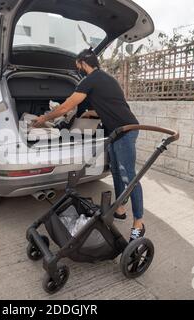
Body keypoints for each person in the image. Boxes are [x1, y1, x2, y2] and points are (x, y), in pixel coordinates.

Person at [32, 49, 145, 242]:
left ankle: (138, 223)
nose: (79, 71)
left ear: (84, 63)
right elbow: (109, 105)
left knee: (129, 176)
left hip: (126, 131)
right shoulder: (105, 79)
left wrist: (45, 118)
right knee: (117, 173)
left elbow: (66, 106)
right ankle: (120, 208)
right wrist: (89, 114)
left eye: (79, 67)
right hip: (116, 132)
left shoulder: (91, 79)